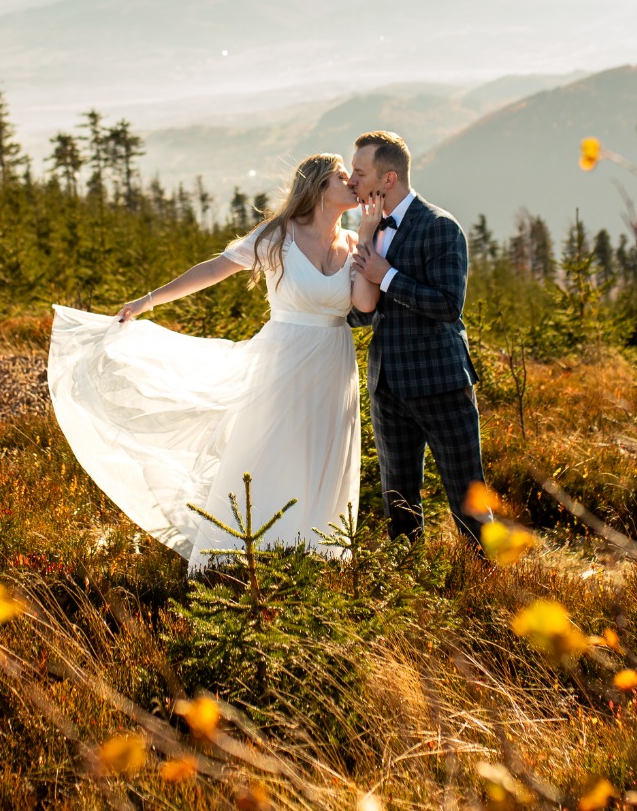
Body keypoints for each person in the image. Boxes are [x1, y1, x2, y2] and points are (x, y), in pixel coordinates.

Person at [45, 153, 375, 572]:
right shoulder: (281, 236)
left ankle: (317, 560)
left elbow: (363, 303)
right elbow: (215, 269)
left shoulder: (354, 241)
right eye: (341, 176)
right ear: (317, 187)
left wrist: (366, 234)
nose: (352, 182)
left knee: (325, 456)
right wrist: (148, 301)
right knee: (269, 453)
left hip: (333, 366)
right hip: (282, 362)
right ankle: (243, 559)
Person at [345, 130, 488, 546]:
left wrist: (385, 276)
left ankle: (488, 588)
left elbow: (448, 305)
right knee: (399, 503)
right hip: (387, 387)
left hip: (440, 383)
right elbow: (361, 314)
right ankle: (407, 590)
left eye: (360, 172)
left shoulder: (441, 228)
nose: (352, 180)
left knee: (468, 498)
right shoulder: (368, 230)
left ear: (388, 179)